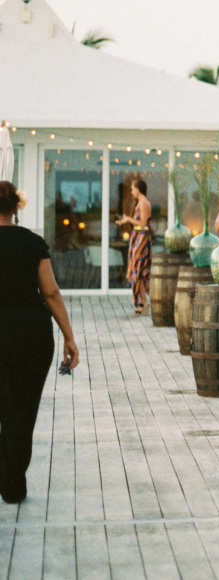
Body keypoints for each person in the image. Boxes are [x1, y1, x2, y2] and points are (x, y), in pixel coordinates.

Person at [0, 181, 80, 504]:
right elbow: (50, 292)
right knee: (22, 409)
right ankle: (13, 484)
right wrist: (69, 337)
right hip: (31, 336)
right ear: (17, 206)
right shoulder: (32, 242)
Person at [116, 178, 152, 314]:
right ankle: (142, 303)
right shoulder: (140, 202)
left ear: (138, 189)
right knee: (139, 272)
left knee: (137, 270)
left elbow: (142, 224)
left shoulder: (143, 203)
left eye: (132, 189)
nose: (131, 191)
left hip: (141, 238)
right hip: (138, 237)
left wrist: (128, 219)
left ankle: (142, 303)